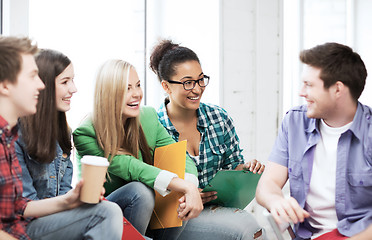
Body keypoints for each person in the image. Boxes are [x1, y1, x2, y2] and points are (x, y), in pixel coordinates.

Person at [0, 36, 123, 240]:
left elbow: (17, 206)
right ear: (5, 85)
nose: (40, 85)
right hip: (30, 229)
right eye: (32, 76)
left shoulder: (8, 137)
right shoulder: (14, 137)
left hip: (34, 225)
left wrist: (70, 200)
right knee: (106, 213)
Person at [72, 59, 203, 238]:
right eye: (127, 88)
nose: (136, 94)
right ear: (108, 94)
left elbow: (180, 156)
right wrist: (185, 187)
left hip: (148, 214)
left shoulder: (148, 117)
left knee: (176, 192)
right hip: (104, 214)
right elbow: (131, 168)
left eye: (138, 85)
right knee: (140, 191)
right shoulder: (87, 132)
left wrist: (190, 186)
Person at [150, 39, 266, 240]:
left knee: (249, 226)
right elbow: (148, 187)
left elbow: (233, 168)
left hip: (218, 210)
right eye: (188, 82)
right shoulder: (154, 126)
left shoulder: (219, 118)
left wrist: (246, 172)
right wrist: (187, 194)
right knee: (248, 227)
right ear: (166, 86)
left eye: (201, 79)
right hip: (177, 220)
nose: (197, 89)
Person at [255, 42, 372, 239]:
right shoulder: (294, 122)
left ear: (337, 90)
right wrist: (276, 200)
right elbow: (266, 186)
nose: (302, 92)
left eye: (309, 85)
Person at [15, 49, 77, 200]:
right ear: (43, 86)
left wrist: (75, 200)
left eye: (73, 80)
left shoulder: (64, 132)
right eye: (65, 82)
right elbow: (26, 203)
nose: (74, 89)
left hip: (57, 214)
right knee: (105, 211)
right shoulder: (16, 134)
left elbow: (64, 191)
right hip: (32, 219)